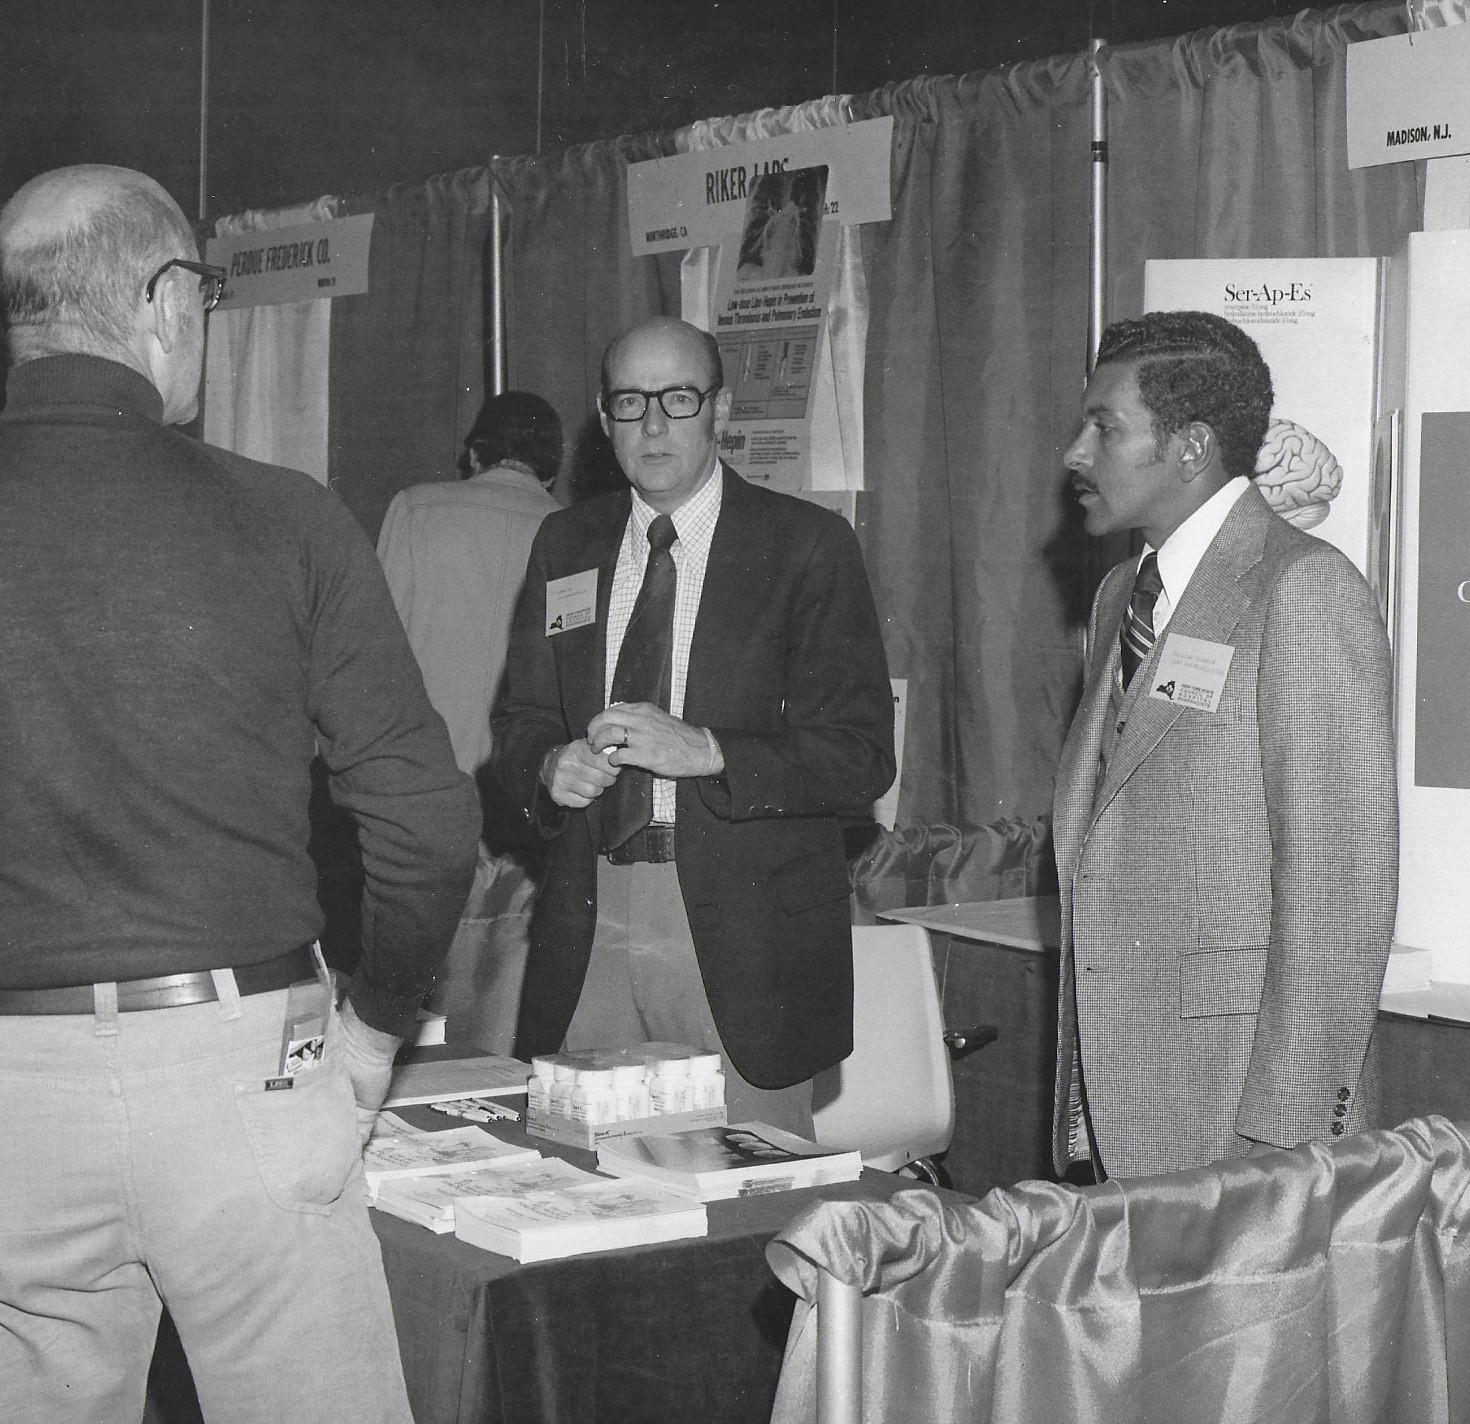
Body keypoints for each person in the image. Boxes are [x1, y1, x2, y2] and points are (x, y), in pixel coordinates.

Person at [0, 165, 478, 1420]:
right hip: (240, 1074)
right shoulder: (287, 519)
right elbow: (426, 826)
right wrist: (375, 1033)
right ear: (164, 301)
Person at [492, 316, 893, 1135]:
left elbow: (860, 757)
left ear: (721, 408)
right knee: (584, 1185)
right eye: (629, 402)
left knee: (742, 1201)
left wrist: (707, 751)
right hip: (591, 911)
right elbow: (520, 718)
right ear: (603, 423)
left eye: (677, 398)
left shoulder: (806, 545)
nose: (652, 424)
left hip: (741, 932)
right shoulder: (564, 542)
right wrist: (547, 764)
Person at [1051, 310, 1397, 1180]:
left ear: (1192, 446)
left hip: (1241, 1123)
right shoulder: (1118, 596)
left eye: (1105, 426)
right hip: (1123, 1101)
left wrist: (1285, 1135)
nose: (1076, 453)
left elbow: (1340, 888)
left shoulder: (1305, 590)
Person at [377, 392, 564, 1052]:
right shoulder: (572, 529)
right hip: (527, 801)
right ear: (551, 470)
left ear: (475, 454)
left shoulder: (417, 509)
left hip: (425, 797)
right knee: (497, 995)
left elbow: (379, 655)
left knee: (410, 1007)